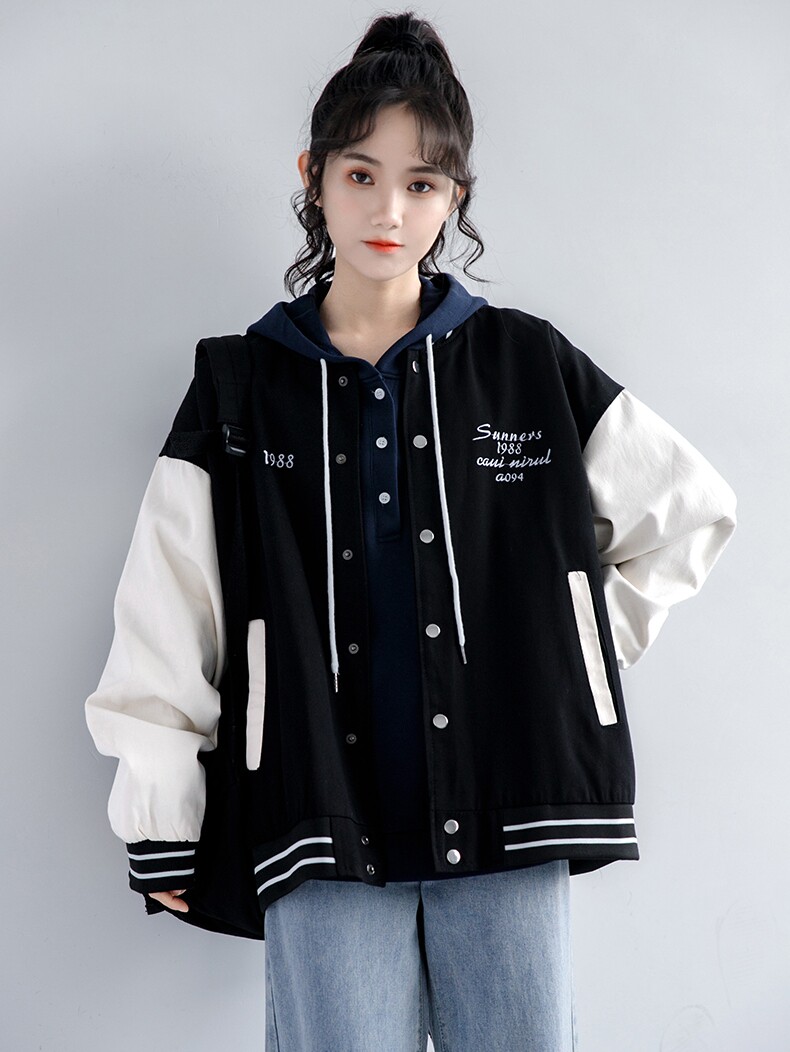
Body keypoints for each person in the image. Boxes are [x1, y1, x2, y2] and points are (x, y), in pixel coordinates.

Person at [84, 10, 737, 1051]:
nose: (389, 210)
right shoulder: (240, 388)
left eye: (422, 183)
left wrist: (561, 655)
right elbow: (171, 609)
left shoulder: (527, 363)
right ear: (313, 176)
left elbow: (688, 512)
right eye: (361, 174)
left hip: (508, 804)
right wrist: (160, 816)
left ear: (455, 197)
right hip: (315, 808)